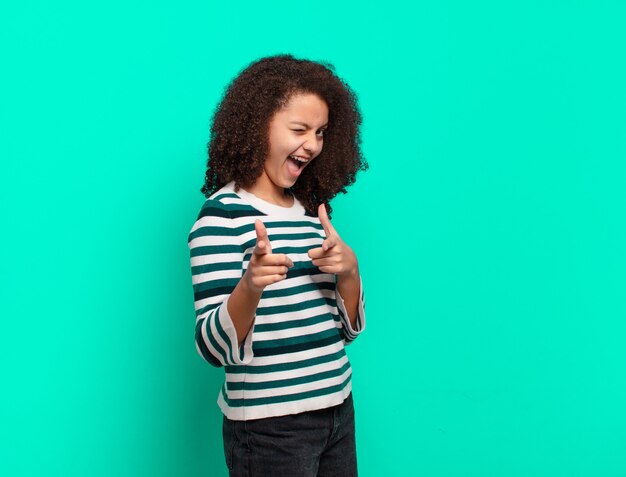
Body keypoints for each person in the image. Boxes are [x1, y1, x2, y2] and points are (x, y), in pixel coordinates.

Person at [187, 54, 368, 477]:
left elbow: (346, 329)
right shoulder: (222, 217)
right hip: (270, 428)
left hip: (338, 407)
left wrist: (350, 272)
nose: (313, 144)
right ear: (259, 125)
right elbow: (213, 348)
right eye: (299, 130)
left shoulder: (310, 213)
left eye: (321, 132)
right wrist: (250, 286)